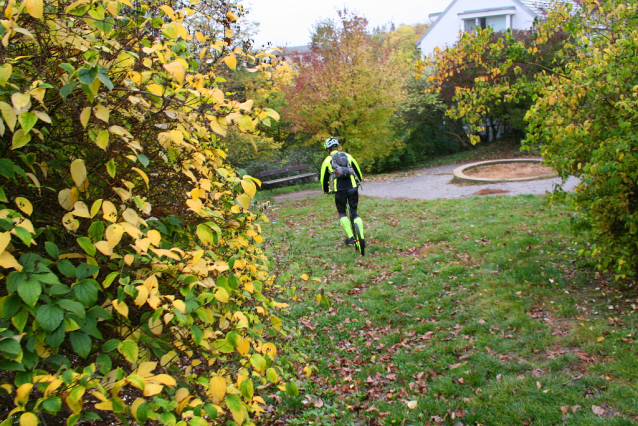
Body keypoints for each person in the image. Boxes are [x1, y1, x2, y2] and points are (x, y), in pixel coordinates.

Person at [320, 137, 365, 248]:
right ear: (338, 147)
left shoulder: (327, 160)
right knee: (354, 212)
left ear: (328, 149)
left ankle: (351, 237)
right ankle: (361, 238)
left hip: (339, 190)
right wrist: (358, 183)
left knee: (342, 213)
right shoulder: (348, 156)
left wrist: (326, 190)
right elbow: (358, 172)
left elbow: (323, 178)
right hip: (352, 187)